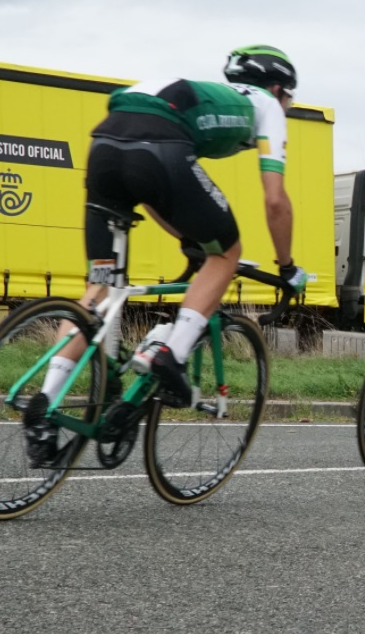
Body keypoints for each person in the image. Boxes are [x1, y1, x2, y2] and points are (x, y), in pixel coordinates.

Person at [24, 45, 309, 466]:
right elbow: (275, 202)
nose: (289, 107)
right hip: (160, 145)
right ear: (278, 88)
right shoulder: (267, 106)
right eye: (291, 98)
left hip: (106, 143)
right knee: (228, 254)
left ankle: (43, 404)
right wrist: (287, 267)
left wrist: (188, 238)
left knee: (99, 290)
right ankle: (169, 356)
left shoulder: (211, 94)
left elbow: (151, 190)